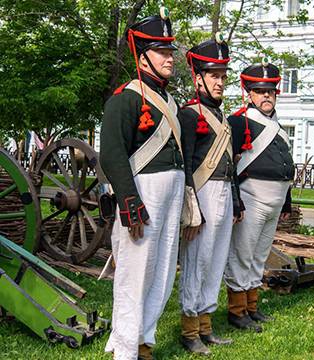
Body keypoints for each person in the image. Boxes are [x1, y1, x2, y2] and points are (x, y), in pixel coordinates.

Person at [100, 9, 187, 360]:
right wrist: (129, 202)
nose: (170, 57)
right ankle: (124, 350)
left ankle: (142, 341)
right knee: (134, 277)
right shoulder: (126, 98)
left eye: (170, 50)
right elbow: (112, 155)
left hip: (171, 196)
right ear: (143, 55)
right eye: (162, 51)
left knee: (163, 273)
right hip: (143, 197)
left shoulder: (169, 101)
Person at [178, 35, 244, 356]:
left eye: (222, 76)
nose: (220, 82)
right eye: (213, 75)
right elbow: (186, 165)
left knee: (216, 261)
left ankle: (206, 326)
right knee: (196, 260)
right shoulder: (189, 115)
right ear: (198, 77)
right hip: (201, 195)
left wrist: (235, 199)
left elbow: (230, 164)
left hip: (223, 194)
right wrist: (191, 208)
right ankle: (189, 329)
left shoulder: (222, 118)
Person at [224, 61, 294, 332]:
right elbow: (229, 164)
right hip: (251, 198)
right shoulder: (239, 121)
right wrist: (235, 200)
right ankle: (237, 310)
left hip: (275, 200)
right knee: (242, 254)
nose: (266, 95)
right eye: (259, 90)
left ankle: (252, 306)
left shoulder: (276, 126)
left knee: (260, 255)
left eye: (270, 90)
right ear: (249, 94)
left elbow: (285, 165)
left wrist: (286, 200)